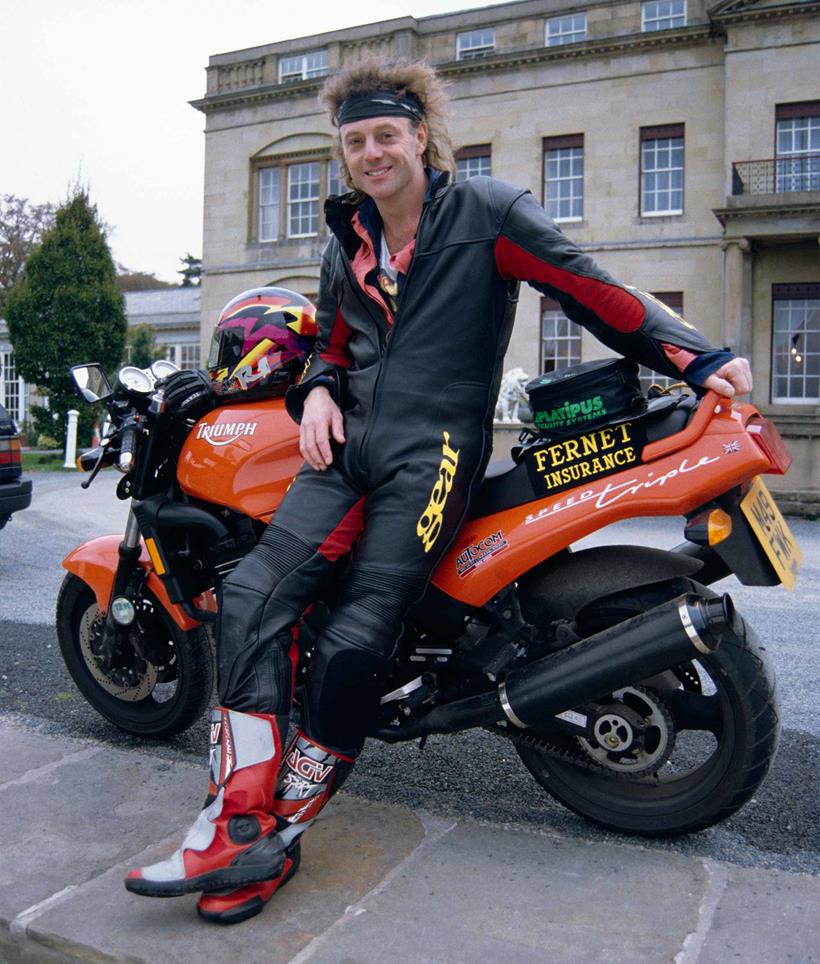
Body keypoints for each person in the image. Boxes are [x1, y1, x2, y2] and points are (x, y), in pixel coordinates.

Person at [125, 56, 752, 924]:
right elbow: (333, 348)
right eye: (356, 141)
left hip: (436, 455)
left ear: (421, 135)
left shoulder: (487, 214)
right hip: (343, 453)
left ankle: (278, 827)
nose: (373, 152)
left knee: (356, 639)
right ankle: (237, 822)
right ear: (344, 156)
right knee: (250, 594)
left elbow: (592, 289)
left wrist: (701, 357)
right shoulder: (346, 238)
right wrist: (312, 389)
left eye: (387, 134)